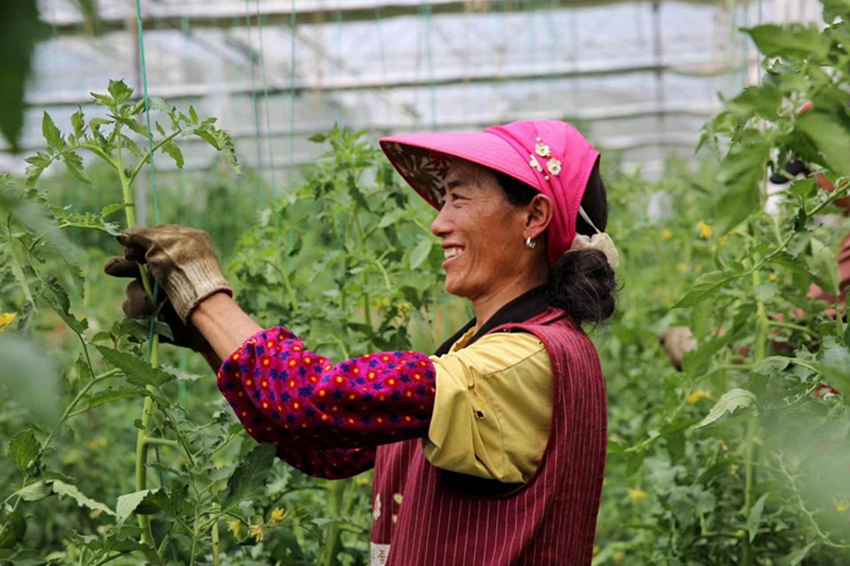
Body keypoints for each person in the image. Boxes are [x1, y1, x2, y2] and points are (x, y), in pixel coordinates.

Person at [105, 120, 618, 565]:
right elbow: (331, 449)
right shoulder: (490, 348)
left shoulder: (517, 361)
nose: (438, 223)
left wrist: (202, 291)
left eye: (458, 197)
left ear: (533, 216)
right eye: (442, 200)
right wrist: (206, 335)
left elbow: (310, 399)